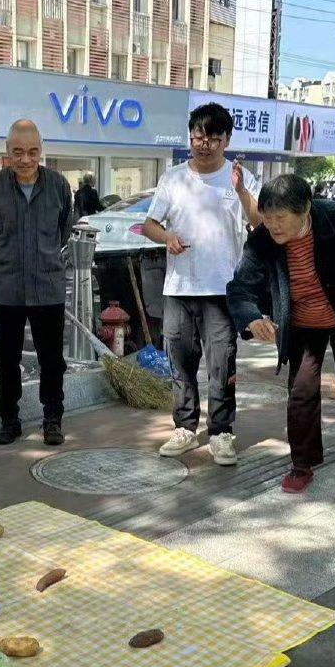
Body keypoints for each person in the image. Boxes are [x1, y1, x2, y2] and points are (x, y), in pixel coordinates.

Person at [227, 174, 335, 495]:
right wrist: (251, 318)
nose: (273, 225)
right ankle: (302, 464)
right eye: (267, 216)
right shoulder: (262, 239)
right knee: (301, 392)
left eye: (280, 217)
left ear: (305, 210)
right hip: (302, 322)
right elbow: (240, 287)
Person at [144, 103, 261, 466]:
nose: (204, 144)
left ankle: (222, 433)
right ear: (190, 137)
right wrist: (167, 238)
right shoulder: (173, 178)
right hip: (179, 287)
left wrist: (241, 192)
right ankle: (184, 426)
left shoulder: (240, 177)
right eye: (198, 136)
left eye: (213, 138)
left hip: (223, 289)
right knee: (180, 361)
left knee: (222, 363)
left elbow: (259, 222)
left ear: (226, 140)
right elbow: (149, 225)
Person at [0, 120, 72, 447]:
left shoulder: (60, 186)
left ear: (40, 151)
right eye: (18, 152)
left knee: (52, 359)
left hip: (47, 286)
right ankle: (9, 420)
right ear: (7, 152)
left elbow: (63, 231)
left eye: (32, 152)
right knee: (6, 358)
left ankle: (52, 419)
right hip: (7, 287)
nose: (25, 159)